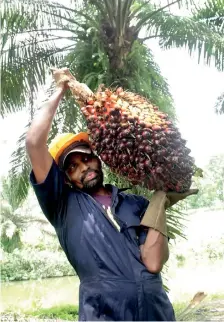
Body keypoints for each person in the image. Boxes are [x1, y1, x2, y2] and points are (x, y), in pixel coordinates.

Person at [26, 69, 198, 321]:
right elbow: (33, 143)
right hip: (104, 314)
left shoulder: (136, 204)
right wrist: (62, 90)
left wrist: (160, 199)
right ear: (66, 178)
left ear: (99, 158)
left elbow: (152, 263)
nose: (83, 168)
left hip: (156, 313)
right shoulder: (62, 206)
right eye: (72, 166)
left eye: (86, 158)